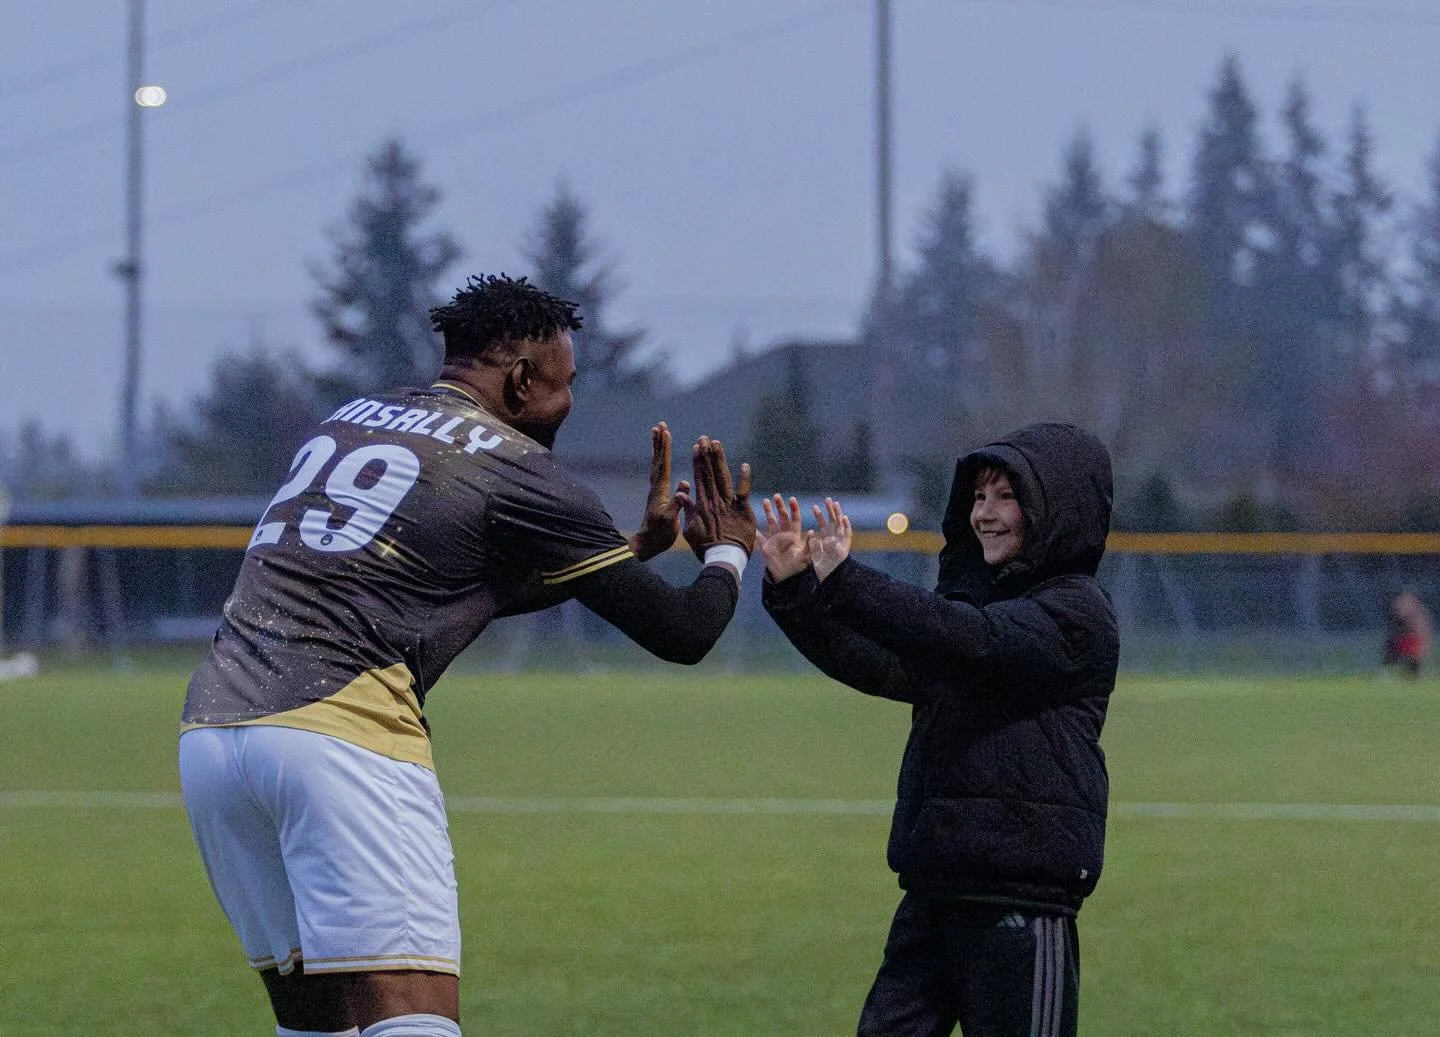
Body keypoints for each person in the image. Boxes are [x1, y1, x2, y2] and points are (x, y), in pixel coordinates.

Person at [178, 273, 756, 1037]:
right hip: (341, 740)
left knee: (317, 1025)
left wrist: (622, 552)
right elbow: (684, 632)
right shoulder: (518, 466)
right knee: (411, 1018)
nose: (568, 403)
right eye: (564, 383)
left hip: (213, 736)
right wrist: (727, 552)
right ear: (521, 378)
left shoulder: (353, 417)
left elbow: (431, 591)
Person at [758, 421, 1118, 1037]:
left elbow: (970, 642)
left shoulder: (1076, 613)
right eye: (979, 496)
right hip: (934, 890)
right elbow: (883, 666)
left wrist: (846, 579)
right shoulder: (978, 612)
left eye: (1008, 496)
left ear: (1056, 509)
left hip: (1021, 904)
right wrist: (795, 590)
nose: (986, 513)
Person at [1383, 589, 1433, 677]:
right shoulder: (1396, 619)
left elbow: (1424, 633)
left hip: (1413, 645)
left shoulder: (1418, 615)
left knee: (1413, 669)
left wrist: (1425, 647)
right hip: (1401, 644)